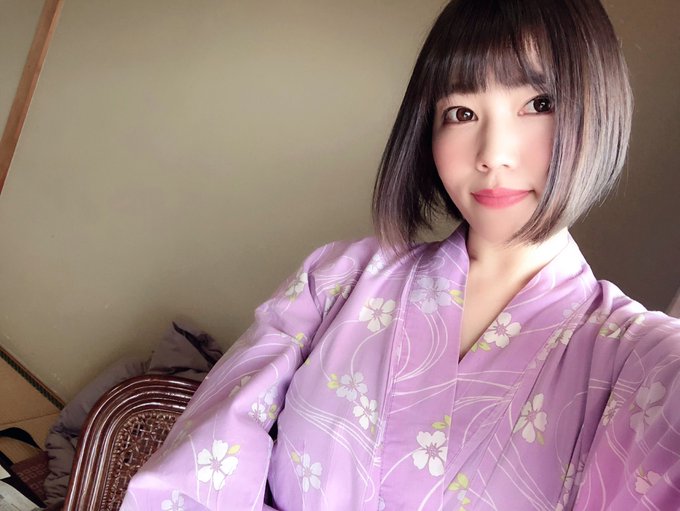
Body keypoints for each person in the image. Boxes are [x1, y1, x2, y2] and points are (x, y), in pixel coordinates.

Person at [122, 0, 680, 509]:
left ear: (600, 111)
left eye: (539, 103)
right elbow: (195, 474)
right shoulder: (336, 281)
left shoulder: (639, 358)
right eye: (461, 113)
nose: (493, 154)